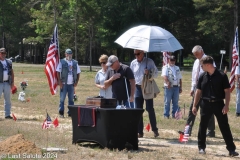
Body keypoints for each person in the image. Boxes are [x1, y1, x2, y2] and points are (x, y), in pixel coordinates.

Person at [192, 56, 239, 157]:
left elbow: (227, 91)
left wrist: (226, 105)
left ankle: (231, 149)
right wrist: (194, 105)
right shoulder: (202, 76)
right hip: (205, 103)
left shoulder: (222, 76)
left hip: (218, 103)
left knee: (224, 126)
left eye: (202, 65)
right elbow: (198, 92)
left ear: (208, 65)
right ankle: (201, 147)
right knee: (202, 126)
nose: (201, 67)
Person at [181, 45, 215, 137]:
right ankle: (188, 130)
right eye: (195, 55)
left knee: (208, 110)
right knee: (193, 108)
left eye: (197, 54)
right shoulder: (196, 62)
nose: (196, 56)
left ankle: (211, 131)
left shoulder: (209, 60)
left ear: (202, 51)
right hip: (197, 88)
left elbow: (213, 72)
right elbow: (194, 76)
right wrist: (192, 88)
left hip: (206, 88)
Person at [130, 50, 159, 138]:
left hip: (147, 87)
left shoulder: (149, 62)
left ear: (143, 53)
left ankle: (155, 130)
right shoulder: (133, 63)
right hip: (137, 87)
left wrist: (149, 72)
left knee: (150, 109)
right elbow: (131, 76)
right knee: (138, 110)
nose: (136, 56)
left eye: (138, 54)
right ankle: (140, 132)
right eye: (135, 54)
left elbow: (156, 74)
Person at [56, 48, 81, 118]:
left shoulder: (75, 63)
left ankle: (71, 113)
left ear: (72, 54)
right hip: (64, 83)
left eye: (70, 54)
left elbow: (78, 73)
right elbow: (58, 72)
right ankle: (61, 113)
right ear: (65, 54)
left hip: (71, 84)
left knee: (71, 99)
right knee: (62, 99)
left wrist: (76, 82)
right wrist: (59, 82)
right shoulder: (62, 62)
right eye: (68, 54)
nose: (69, 55)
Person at [0, 48, 14, 119]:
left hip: (7, 83)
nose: (3, 54)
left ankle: (7, 115)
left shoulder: (9, 62)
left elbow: (12, 72)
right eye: (2, 53)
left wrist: (12, 83)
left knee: (7, 99)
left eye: (4, 53)